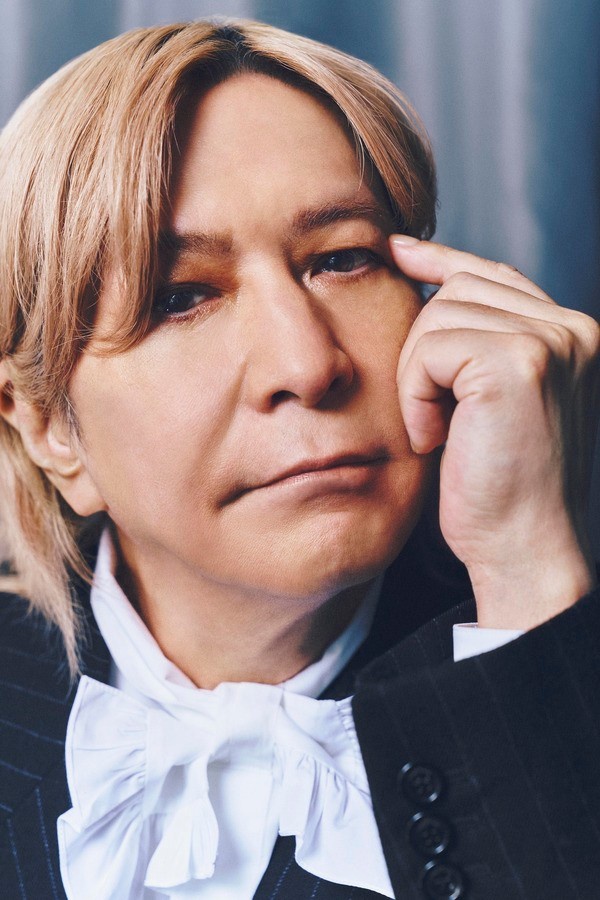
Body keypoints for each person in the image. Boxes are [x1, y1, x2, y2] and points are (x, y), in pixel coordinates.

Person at [0, 18, 597, 900]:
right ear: (50, 426)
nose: (308, 363)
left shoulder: (556, 657)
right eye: (181, 296)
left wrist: (525, 574)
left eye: (343, 259)